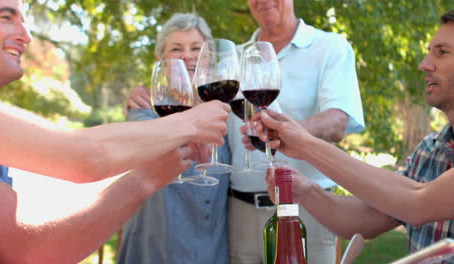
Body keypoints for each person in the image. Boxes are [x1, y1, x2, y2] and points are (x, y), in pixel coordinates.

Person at [0, 1, 230, 263]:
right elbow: (87, 156)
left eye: (196, 49)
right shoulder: (145, 112)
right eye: (5, 16)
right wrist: (187, 128)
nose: (27, 35)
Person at [253, 10, 454, 263]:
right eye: (429, 51)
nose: (424, 64)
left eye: (442, 52)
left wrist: (304, 144)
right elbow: (366, 218)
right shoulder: (429, 150)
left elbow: (415, 203)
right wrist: (306, 192)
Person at [225, 0, 365, 263]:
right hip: (239, 215)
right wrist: (142, 97)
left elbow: (338, 120)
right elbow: (197, 103)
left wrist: (286, 132)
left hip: (308, 212)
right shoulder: (235, 57)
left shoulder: (330, 46)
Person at [117, 13, 231, 264]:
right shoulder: (144, 109)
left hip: (212, 250)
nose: (188, 56)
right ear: (163, 60)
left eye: (196, 48)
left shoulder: (226, 112)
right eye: (176, 49)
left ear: (209, 58)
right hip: (155, 249)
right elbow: (144, 145)